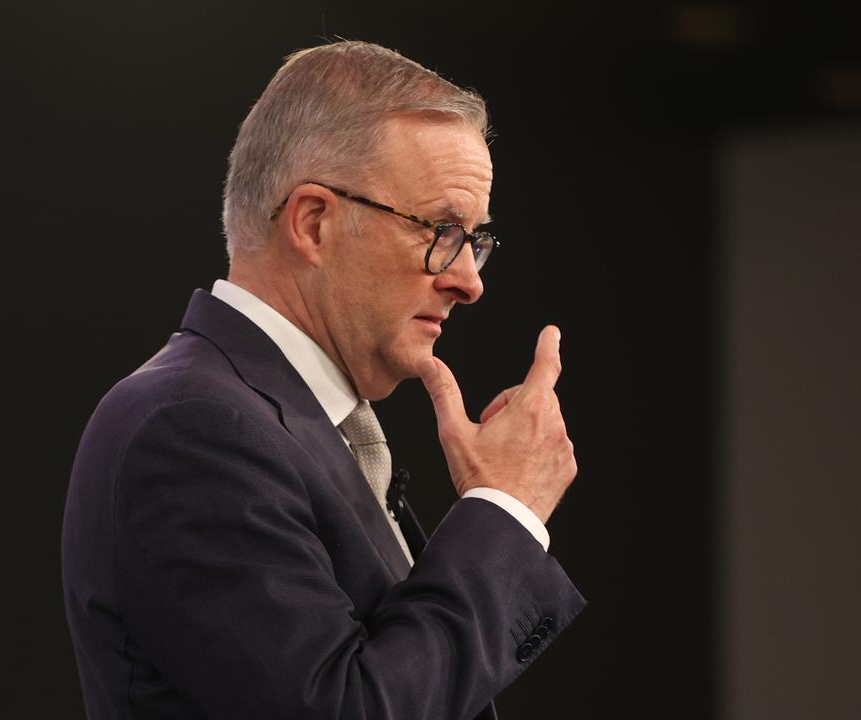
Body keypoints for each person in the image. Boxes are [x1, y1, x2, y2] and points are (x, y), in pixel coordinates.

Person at [61, 40, 584, 719]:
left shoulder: (288, 422)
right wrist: (504, 511)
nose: (468, 280)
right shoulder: (192, 427)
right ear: (314, 222)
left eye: (475, 239)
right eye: (442, 230)